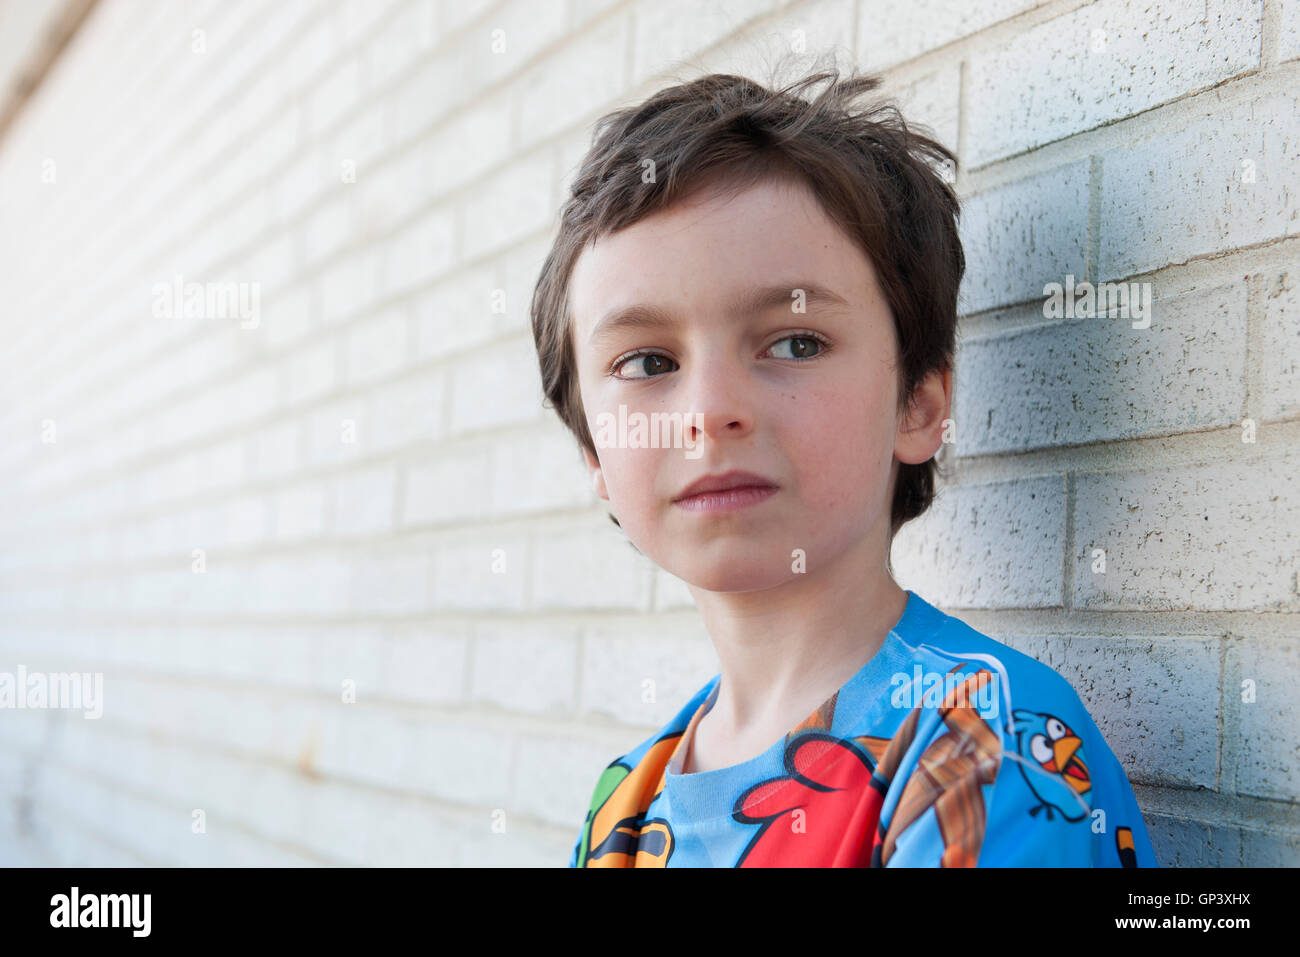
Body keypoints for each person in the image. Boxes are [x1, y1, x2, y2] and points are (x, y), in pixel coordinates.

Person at [529, 68, 1158, 867]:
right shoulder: (624, 804)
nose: (712, 409)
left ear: (918, 405)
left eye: (795, 342)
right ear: (593, 450)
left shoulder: (982, 747)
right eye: (648, 360)